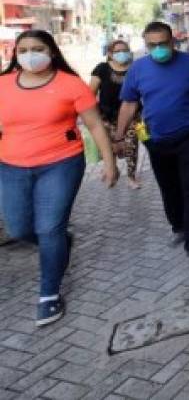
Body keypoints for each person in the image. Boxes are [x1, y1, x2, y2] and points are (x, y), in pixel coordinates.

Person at [0, 29, 118, 326]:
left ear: (52, 52)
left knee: (49, 229)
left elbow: (94, 124)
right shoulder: (2, 85)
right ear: (15, 53)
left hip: (60, 164)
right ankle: (60, 242)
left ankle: (49, 294)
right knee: (19, 227)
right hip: (11, 166)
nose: (30, 55)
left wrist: (109, 162)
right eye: (23, 49)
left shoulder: (71, 85)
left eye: (37, 48)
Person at [115, 22, 189, 265]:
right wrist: (119, 137)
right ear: (145, 45)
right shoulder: (137, 69)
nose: (159, 48)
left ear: (173, 41)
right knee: (169, 186)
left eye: (163, 43)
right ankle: (178, 226)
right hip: (156, 139)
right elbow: (129, 104)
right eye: (152, 45)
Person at [90, 39, 141, 190]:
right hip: (106, 116)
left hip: (131, 116)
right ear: (110, 54)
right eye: (117, 51)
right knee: (109, 145)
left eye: (124, 50)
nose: (121, 54)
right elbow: (90, 93)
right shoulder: (102, 68)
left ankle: (131, 177)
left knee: (131, 146)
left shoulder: (135, 69)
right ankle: (113, 170)